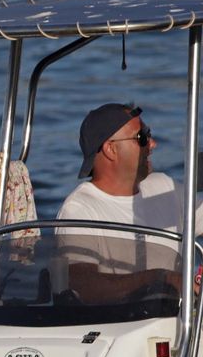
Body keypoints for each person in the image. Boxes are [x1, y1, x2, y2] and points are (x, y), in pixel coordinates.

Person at [56, 103, 199, 303]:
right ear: (111, 149)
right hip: (123, 326)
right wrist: (161, 278)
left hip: (183, 321)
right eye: (142, 137)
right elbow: (84, 285)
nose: (153, 143)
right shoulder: (79, 210)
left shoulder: (164, 186)